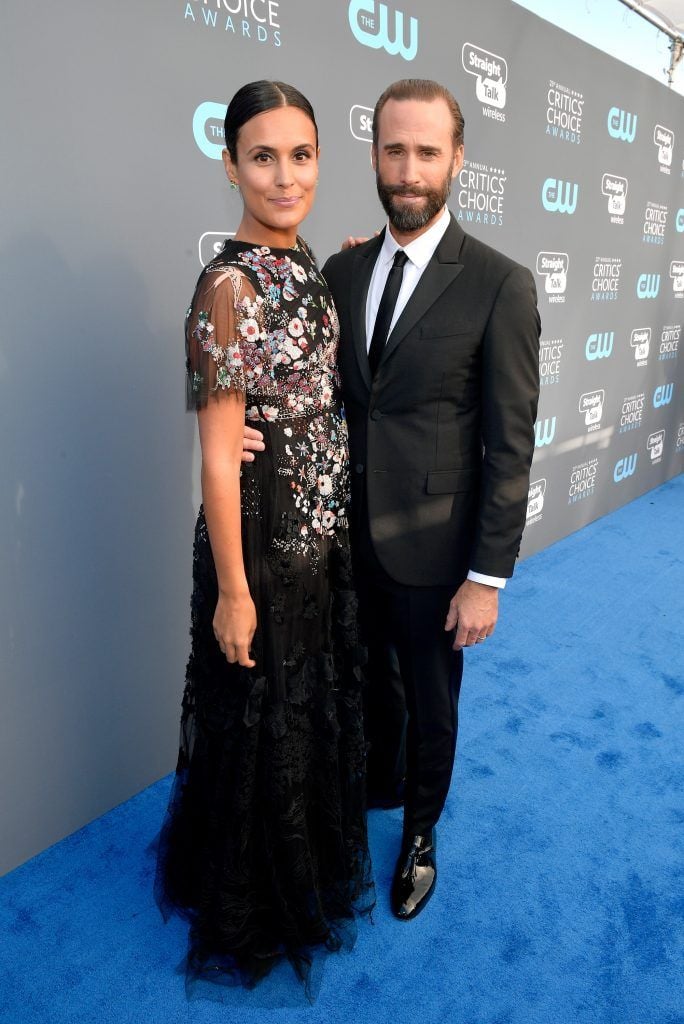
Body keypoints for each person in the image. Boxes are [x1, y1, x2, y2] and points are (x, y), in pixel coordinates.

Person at [244, 79, 540, 921]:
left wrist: (487, 577)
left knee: (431, 694)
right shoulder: (341, 268)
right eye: (393, 150)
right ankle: (373, 785)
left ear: (457, 160)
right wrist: (244, 429)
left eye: (427, 152)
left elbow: (509, 444)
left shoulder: (499, 284)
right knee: (365, 681)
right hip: (342, 538)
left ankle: (420, 832)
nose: (408, 170)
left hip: (436, 546)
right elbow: (298, 381)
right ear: (373, 154)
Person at [154, 80, 374, 994]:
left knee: (303, 721)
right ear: (230, 163)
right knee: (260, 730)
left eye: (302, 155)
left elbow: (308, 373)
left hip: (321, 541)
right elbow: (216, 464)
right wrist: (235, 593)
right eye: (262, 157)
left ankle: (307, 873)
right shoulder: (229, 288)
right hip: (261, 550)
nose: (285, 177)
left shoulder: (307, 261)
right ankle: (255, 906)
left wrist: (351, 261)